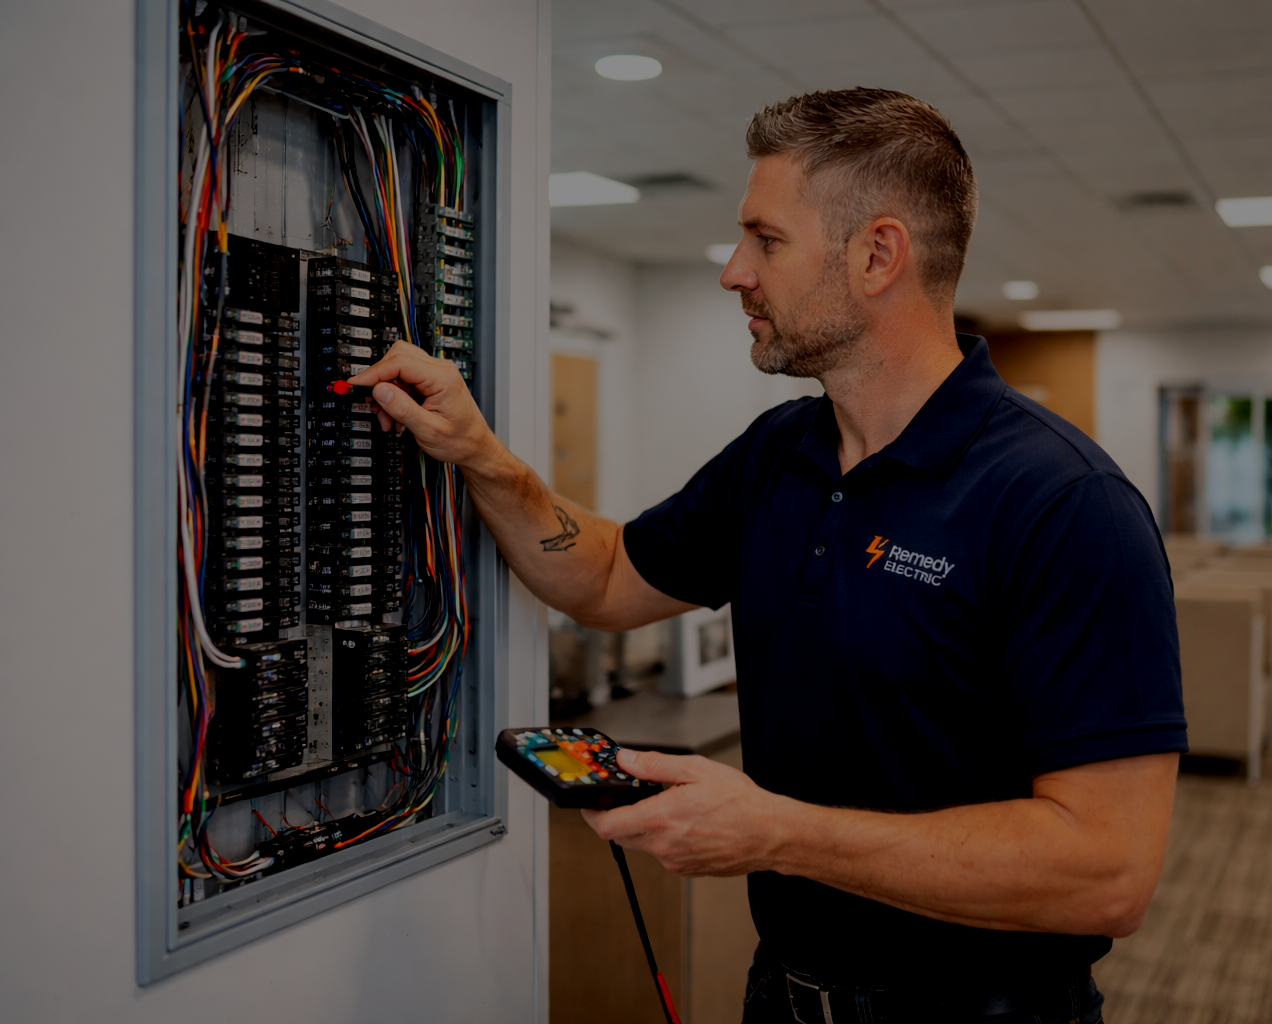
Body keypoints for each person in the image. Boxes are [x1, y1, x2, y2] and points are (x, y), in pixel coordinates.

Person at [354, 87, 1185, 1024]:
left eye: (766, 239)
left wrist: (777, 833)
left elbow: (1108, 872)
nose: (733, 272)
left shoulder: (1066, 504)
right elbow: (605, 575)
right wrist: (482, 456)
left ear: (877, 254)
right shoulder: (777, 458)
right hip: (783, 996)